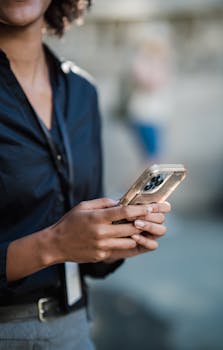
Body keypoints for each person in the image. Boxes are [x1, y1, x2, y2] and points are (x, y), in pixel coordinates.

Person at [0, 1, 171, 349]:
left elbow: (91, 262)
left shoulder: (82, 92)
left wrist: (115, 239)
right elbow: (61, 242)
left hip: (73, 330)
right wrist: (54, 244)